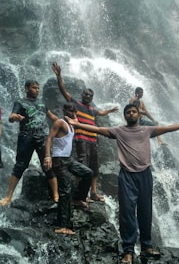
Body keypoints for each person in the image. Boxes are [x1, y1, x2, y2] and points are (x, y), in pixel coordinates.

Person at [65, 103, 179, 264]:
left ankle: (147, 246)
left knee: (145, 210)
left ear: (138, 115)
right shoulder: (119, 131)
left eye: (134, 111)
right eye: (128, 112)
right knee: (127, 212)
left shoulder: (147, 130)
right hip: (127, 175)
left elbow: (168, 128)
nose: (131, 114)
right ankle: (128, 251)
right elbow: (98, 129)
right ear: (125, 116)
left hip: (145, 175)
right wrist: (77, 124)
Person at [52, 62, 119, 203]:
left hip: (93, 141)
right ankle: (81, 194)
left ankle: (93, 192)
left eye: (90, 95)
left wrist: (111, 110)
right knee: (83, 167)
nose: (87, 96)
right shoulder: (75, 104)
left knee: (94, 168)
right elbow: (64, 91)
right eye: (86, 94)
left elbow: (101, 112)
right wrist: (59, 76)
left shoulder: (92, 110)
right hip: (81, 140)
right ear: (82, 94)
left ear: (92, 98)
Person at [0, 80, 59, 206]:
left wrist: (65, 122)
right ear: (27, 88)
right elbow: (11, 116)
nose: (37, 90)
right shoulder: (20, 102)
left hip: (42, 137)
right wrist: (14, 117)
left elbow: (52, 116)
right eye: (34, 88)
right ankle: (8, 196)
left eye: (38, 88)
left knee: (48, 165)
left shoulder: (42, 102)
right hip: (26, 137)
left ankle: (56, 195)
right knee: (20, 165)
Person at [44, 104, 93, 234]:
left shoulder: (72, 125)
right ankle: (62, 225)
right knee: (65, 190)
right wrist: (48, 156)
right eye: (71, 110)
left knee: (88, 173)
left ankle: (78, 198)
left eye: (74, 111)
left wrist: (75, 121)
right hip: (58, 160)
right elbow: (49, 138)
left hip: (68, 159)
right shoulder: (60, 122)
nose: (73, 113)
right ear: (64, 110)